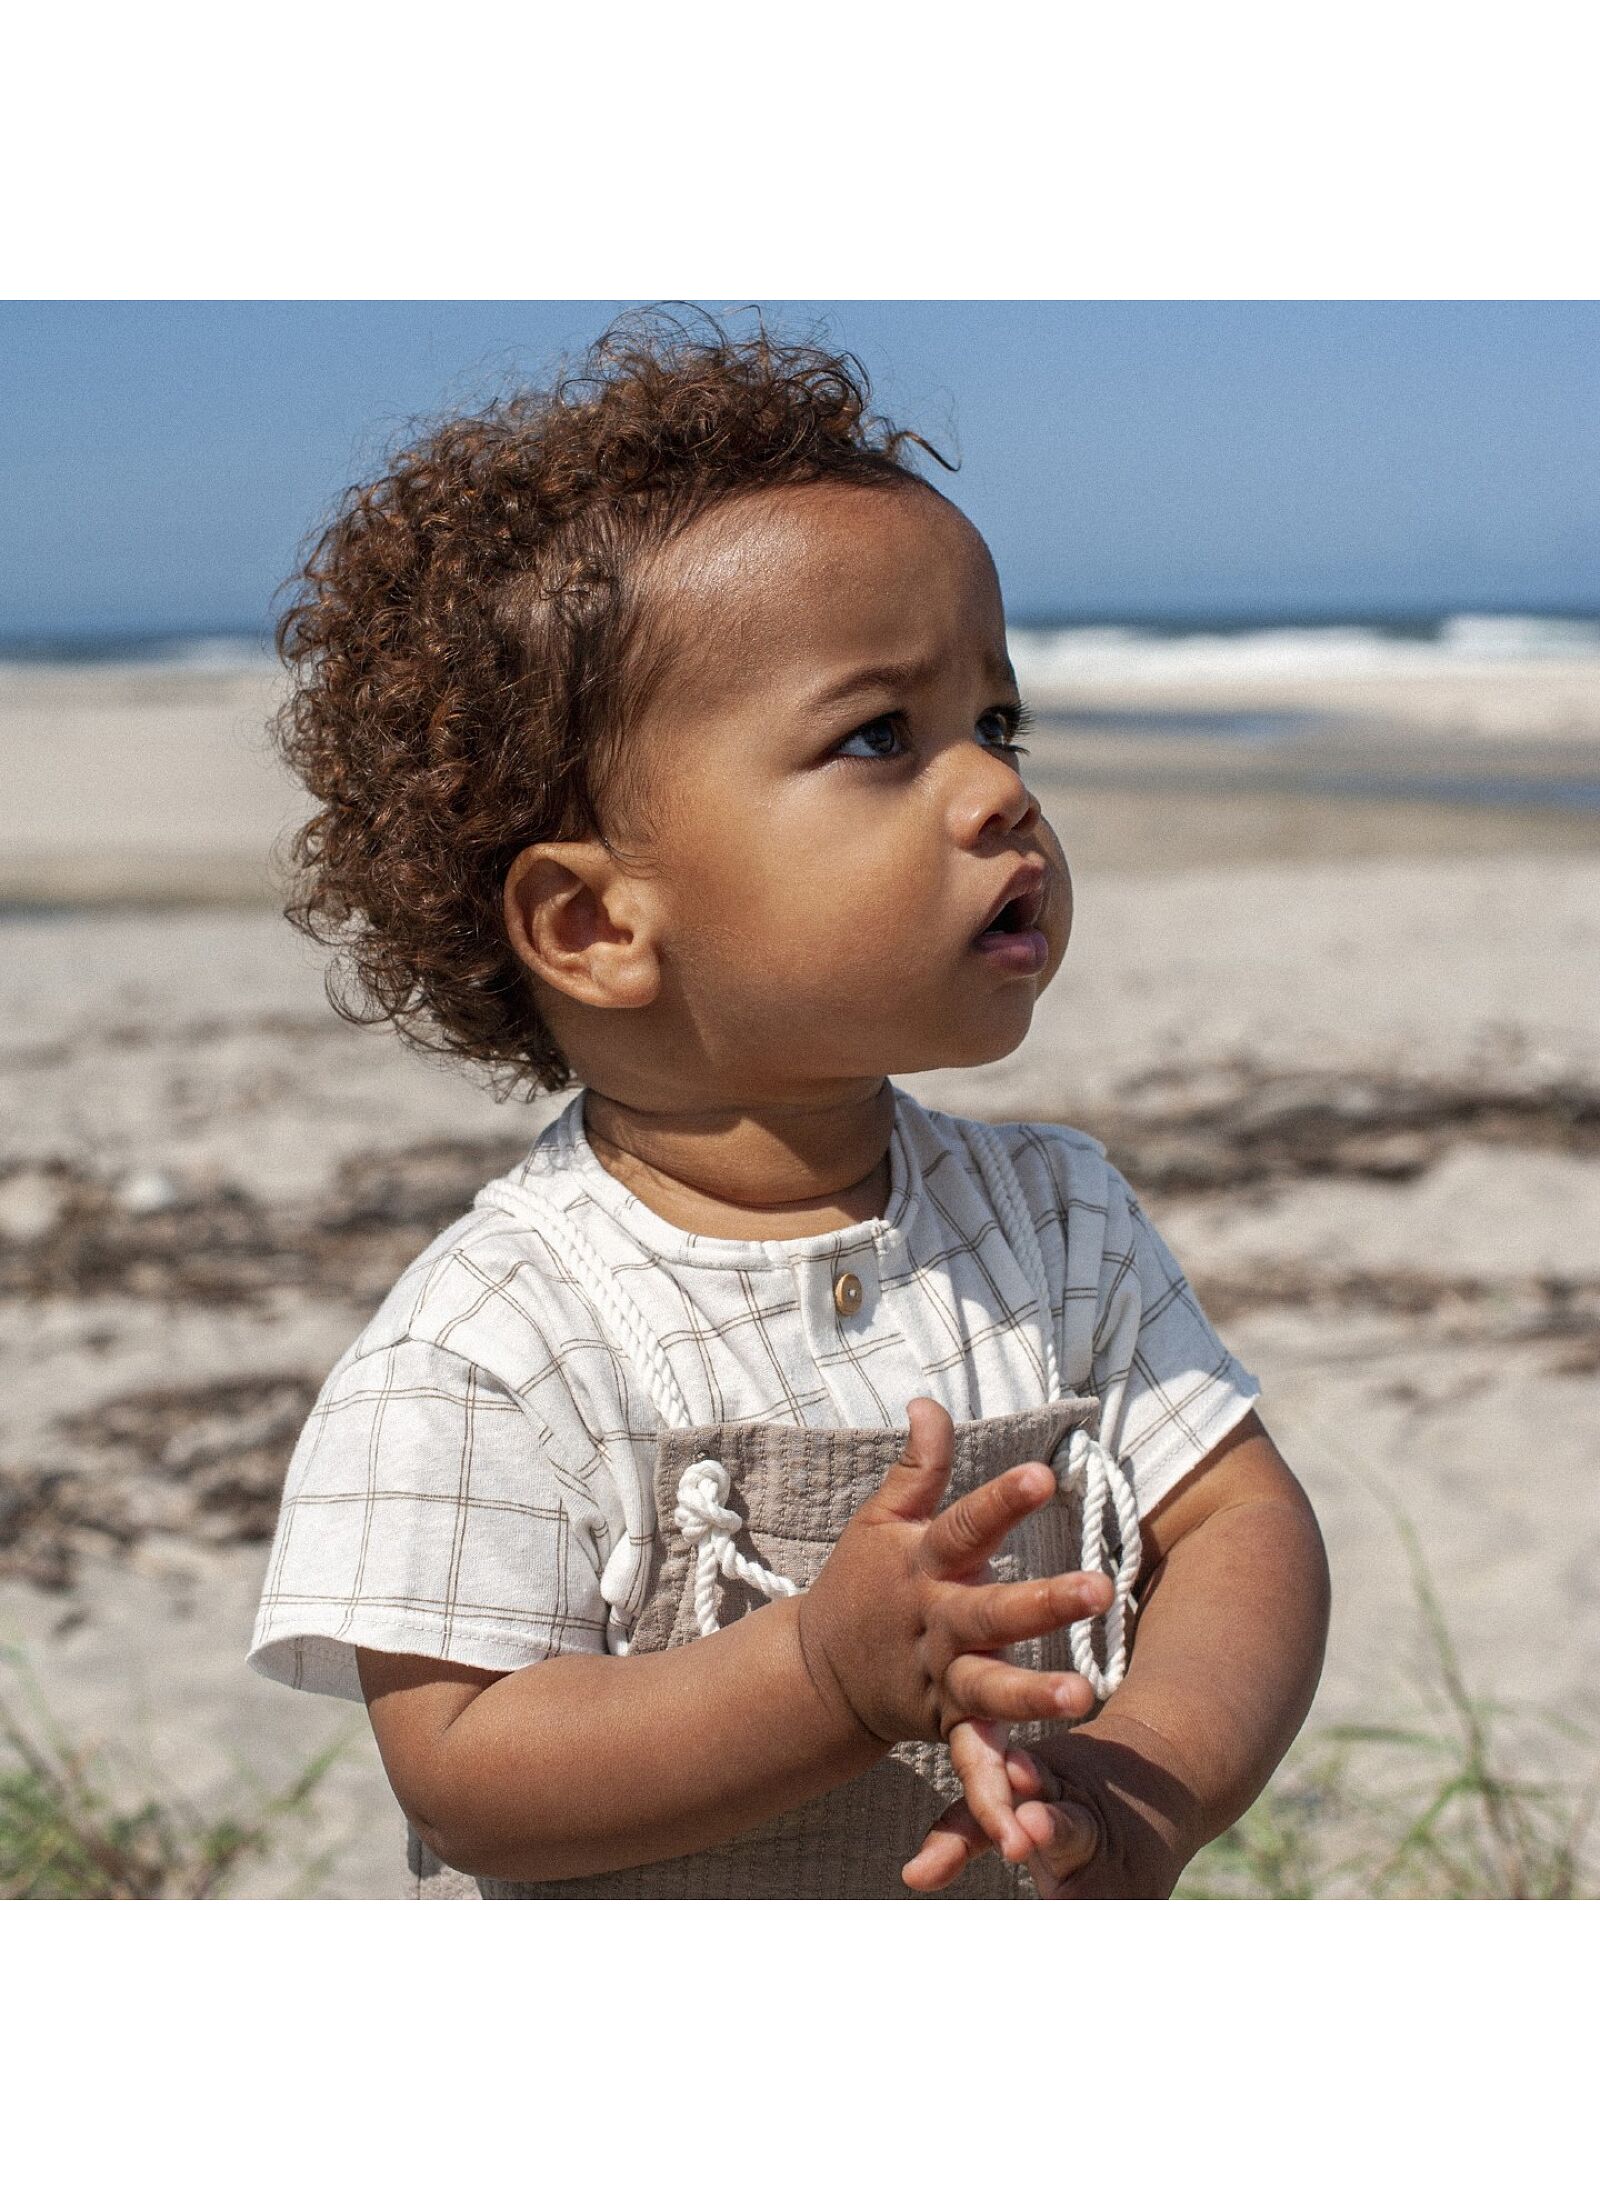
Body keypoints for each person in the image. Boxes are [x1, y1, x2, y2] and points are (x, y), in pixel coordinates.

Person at [247, 310, 1331, 1899]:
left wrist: (1143, 1785)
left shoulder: (1057, 1221)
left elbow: (1242, 1525)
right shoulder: (496, 1333)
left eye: (997, 719)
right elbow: (470, 1767)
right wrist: (815, 1679)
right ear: (598, 926)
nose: (1000, 789)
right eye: (880, 736)